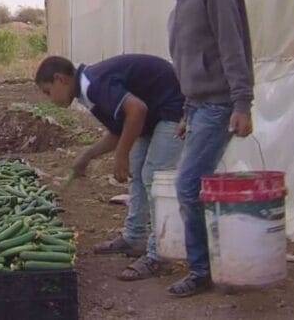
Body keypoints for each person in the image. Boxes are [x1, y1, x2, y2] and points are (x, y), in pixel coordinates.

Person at [149, 0, 255, 297]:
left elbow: (232, 46)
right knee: (192, 184)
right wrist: (186, 111)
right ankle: (211, 261)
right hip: (199, 107)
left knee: (189, 184)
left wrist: (242, 102)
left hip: (219, 104)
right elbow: (192, 57)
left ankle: (200, 270)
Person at [35, 54, 184, 281]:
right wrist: (87, 156)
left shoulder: (93, 85)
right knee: (139, 174)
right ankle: (134, 238)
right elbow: (118, 131)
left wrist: (121, 156)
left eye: (48, 91)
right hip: (154, 113)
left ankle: (158, 256)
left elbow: (137, 110)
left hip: (172, 108)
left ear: (60, 79)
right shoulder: (88, 90)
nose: (50, 99)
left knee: (153, 176)